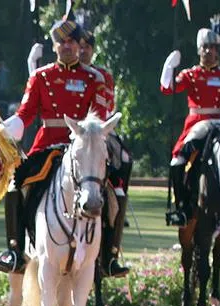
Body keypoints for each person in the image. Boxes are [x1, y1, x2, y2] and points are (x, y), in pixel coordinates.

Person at [0, 14, 107, 274]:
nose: (66, 46)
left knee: (111, 188)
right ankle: (15, 250)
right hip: (47, 145)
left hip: (82, 147)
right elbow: (26, 112)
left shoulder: (94, 79)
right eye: (61, 42)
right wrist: (14, 125)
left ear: (79, 45)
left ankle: (109, 254)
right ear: (54, 46)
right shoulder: (41, 77)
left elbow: (99, 116)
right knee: (16, 183)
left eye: (71, 41)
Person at [160, 15, 220, 227]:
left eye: (213, 48)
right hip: (195, 128)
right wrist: (169, 67)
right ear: (199, 50)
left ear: (218, 51)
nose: (209, 52)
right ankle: (182, 208)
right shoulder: (190, 75)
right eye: (205, 47)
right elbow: (169, 90)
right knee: (177, 162)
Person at [76, 12, 130, 277]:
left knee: (124, 159)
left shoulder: (102, 76)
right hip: (71, 136)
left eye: (88, 47)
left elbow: (106, 107)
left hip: (98, 134)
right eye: (80, 46)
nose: (83, 50)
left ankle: (111, 252)